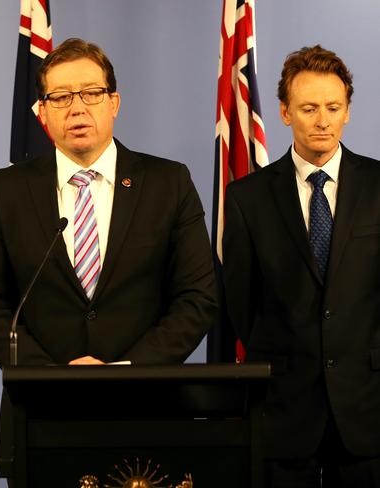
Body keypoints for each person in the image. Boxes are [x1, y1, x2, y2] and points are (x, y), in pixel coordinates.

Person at [0, 38, 217, 482]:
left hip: (149, 409)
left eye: (90, 93)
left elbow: (197, 299)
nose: (77, 108)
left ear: (114, 102)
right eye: (60, 97)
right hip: (41, 417)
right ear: (42, 113)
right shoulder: (7, 190)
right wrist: (54, 377)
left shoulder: (168, 182)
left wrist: (124, 373)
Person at [223, 45, 380, 487]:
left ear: (348, 111)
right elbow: (241, 301)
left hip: (368, 408)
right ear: (284, 112)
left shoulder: (377, 185)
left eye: (333, 107)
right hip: (284, 408)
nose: (323, 120)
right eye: (309, 108)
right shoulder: (248, 197)